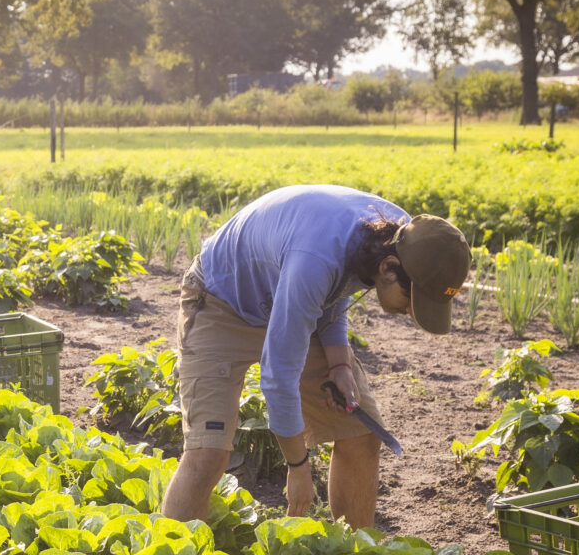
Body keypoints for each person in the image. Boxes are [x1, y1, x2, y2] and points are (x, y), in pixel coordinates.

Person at [158, 185, 472, 530]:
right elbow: (279, 377)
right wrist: (298, 468)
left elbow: (339, 284)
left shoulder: (411, 240)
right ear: (389, 267)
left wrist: (339, 363)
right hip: (220, 303)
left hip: (289, 294)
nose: (413, 312)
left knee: (360, 432)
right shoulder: (321, 259)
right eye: (413, 300)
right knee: (208, 454)